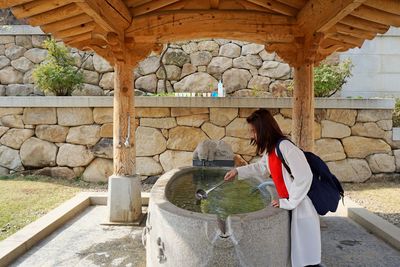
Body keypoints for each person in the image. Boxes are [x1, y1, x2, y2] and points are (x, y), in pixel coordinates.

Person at [224, 109, 321, 267]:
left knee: (305, 257)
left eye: (254, 131)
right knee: (296, 255)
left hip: (301, 207)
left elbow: (304, 176)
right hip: (290, 206)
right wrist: (237, 171)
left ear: (263, 129)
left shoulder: (285, 147)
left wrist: (288, 202)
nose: (252, 136)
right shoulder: (272, 149)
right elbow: (261, 168)